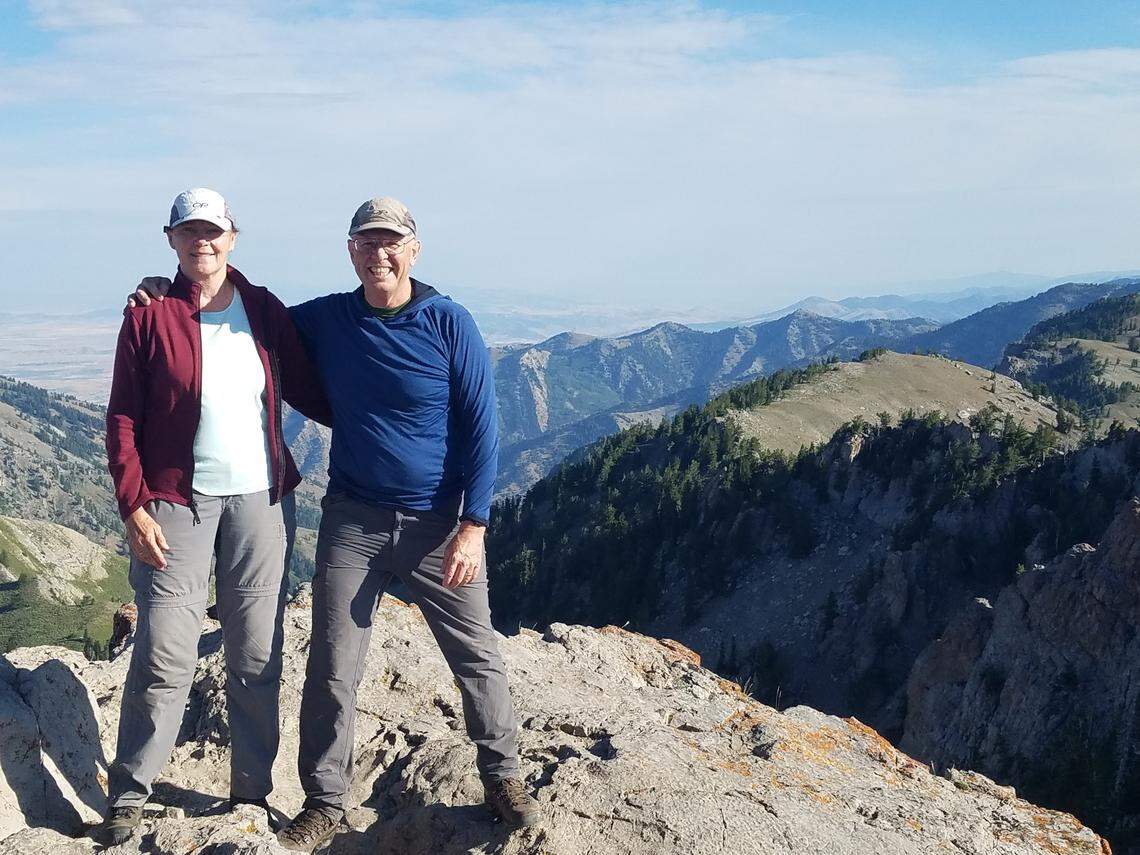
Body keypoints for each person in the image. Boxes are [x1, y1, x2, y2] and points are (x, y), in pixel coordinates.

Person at [132, 196, 540, 852]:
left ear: (414, 250)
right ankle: (324, 801)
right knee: (332, 663)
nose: (380, 253)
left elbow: (482, 426)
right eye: (367, 242)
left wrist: (476, 522)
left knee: (477, 655)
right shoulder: (329, 317)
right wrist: (169, 288)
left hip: (439, 523)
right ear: (351, 250)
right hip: (352, 516)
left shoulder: (448, 321)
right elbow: (247, 319)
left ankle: (503, 777)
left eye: (392, 242)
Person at [103, 188, 331, 846]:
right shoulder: (150, 316)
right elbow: (121, 417)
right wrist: (132, 503)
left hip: (262, 502)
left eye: (213, 230)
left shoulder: (262, 309)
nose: (202, 240)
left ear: (233, 236)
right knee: (165, 653)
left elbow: (321, 379)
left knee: (256, 653)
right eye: (189, 230)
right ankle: (129, 792)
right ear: (171, 238)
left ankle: (250, 794)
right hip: (174, 502)